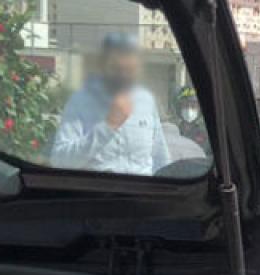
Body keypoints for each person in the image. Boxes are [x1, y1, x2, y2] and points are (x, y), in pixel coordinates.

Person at [50, 32, 171, 175]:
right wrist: (108, 126)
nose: (123, 75)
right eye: (117, 68)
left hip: (142, 193)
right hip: (98, 193)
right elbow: (60, 160)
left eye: (130, 69)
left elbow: (161, 159)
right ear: (102, 66)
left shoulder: (146, 100)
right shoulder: (80, 101)